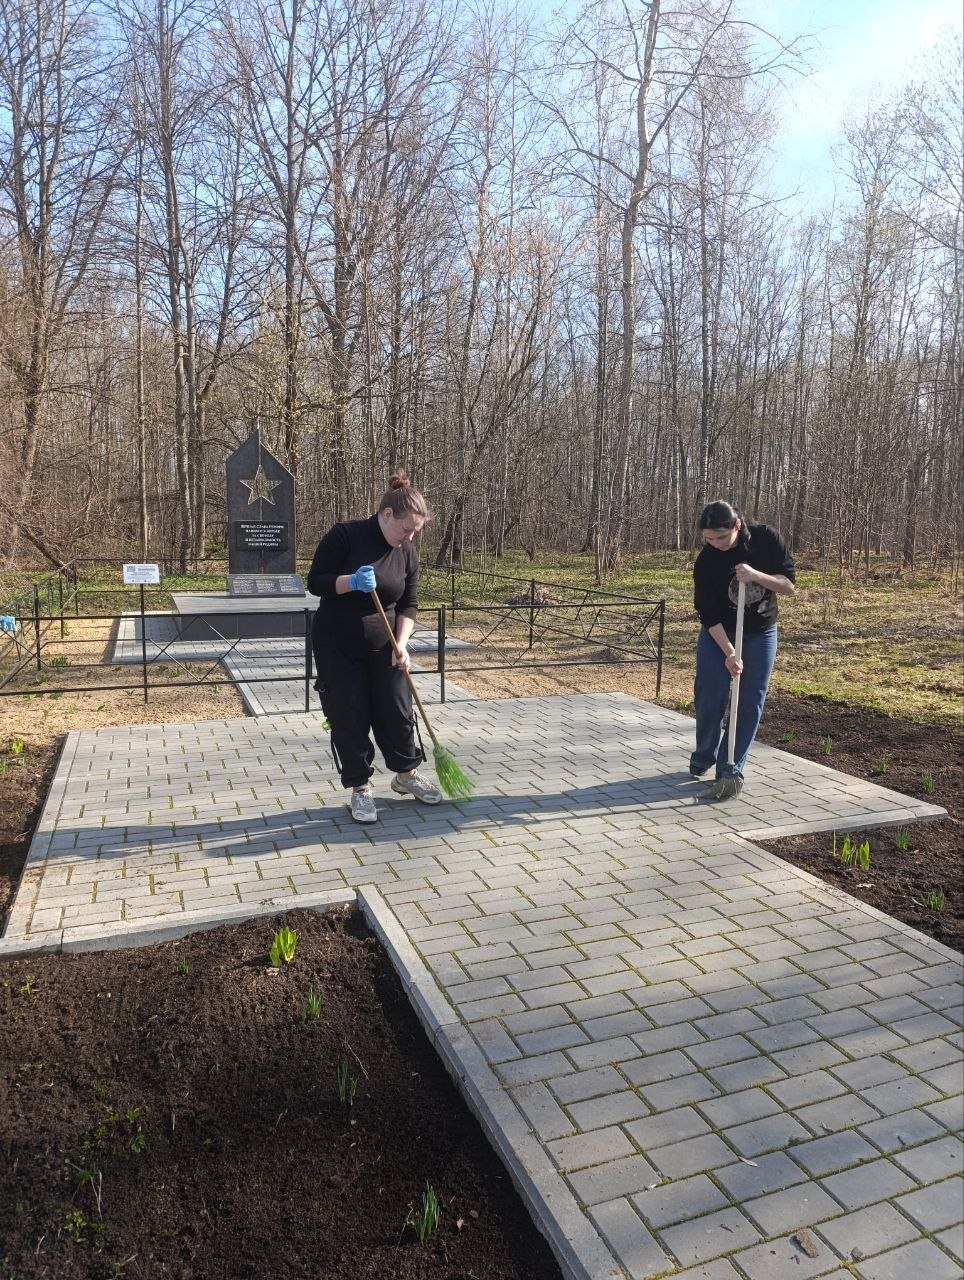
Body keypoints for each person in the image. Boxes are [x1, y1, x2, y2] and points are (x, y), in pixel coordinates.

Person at [307, 472, 442, 823]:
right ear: (386, 514)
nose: (409, 537)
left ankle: (406, 774)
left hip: (387, 646)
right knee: (349, 714)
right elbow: (316, 582)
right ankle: (360, 787)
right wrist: (350, 582)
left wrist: (402, 645)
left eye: (415, 532)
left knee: (397, 710)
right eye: (406, 529)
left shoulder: (406, 552)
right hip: (338, 645)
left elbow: (409, 603)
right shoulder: (345, 536)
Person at [690, 500, 796, 796]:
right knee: (710, 694)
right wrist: (730, 653)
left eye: (721, 537)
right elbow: (708, 615)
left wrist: (755, 575)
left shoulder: (766, 539)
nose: (716, 544)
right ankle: (705, 753)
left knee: (750, 699)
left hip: (761, 632)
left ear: (737, 524)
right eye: (709, 539)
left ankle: (730, 767)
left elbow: (788, 586)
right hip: (719, 632)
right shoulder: (706, 561)